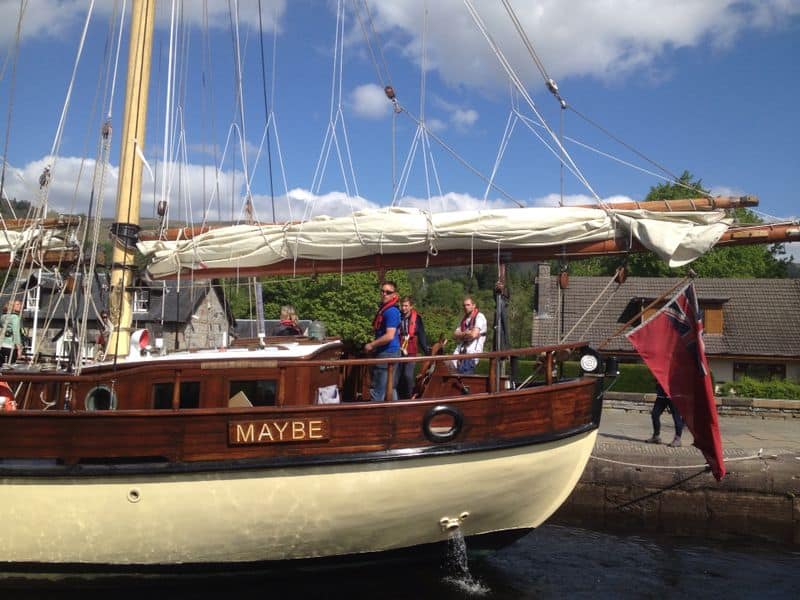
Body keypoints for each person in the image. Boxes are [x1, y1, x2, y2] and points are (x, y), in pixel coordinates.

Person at [363, 280, 401, 401]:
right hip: (392, 352)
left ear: (394, 295)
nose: (384, 294)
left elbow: (389, 336)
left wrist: (371, 345)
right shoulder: (387, 309)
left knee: (378, 390)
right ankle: (395, 414)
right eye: (382, 291)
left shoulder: (391, 311)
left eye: (388, 292)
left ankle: (372, 417)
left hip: (387, 353)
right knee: (391, 387)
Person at [395, 296, 430, 399]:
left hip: (411, 350)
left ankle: (409, 397)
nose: (403, 308)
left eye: (406, 306)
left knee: (408, 375)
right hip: (398, 349)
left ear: (411, 306)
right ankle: (398, 398)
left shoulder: (417, 318)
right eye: (402, 305)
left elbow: (422, 335)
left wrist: (426, 351)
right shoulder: (397, 316)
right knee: (397, 376)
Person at [451, 296, 487, 374]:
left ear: (474, 305)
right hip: (459, 351)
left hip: (472, 353)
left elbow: (473, 335)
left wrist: (462, 335)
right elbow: (454, 335)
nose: (465, 307)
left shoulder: (480, 317)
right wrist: (465, 333)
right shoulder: (464, 320)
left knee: (464, 377)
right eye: (464, 305)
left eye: (468, 305)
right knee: (449, 371)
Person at [646, 382, 684, 447]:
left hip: (673, 395)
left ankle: (677, 439)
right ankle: (656, 436)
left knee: (676, 417)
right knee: (655, 415)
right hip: (661, 395)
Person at [0, 299, 23, 367]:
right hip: (11, 346)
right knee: (10, 367)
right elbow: (16, 333)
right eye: (17, 304)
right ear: (12, 306)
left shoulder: (2, 317)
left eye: (20, 304)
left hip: (2, 345)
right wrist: (19, 349)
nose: (20, 306)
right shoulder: (15, 317)